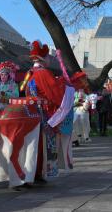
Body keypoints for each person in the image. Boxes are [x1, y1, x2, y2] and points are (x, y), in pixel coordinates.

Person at [21, 40, 75, 180]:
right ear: (42, 59)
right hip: (42, 113)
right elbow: (56, 94)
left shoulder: (30, 73)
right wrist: (67, 85)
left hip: (30, 112)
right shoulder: (43, 73)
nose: (50, 59)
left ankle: (34, 171)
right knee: (45, 143)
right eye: (48, 57)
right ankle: (43, 171)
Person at [72, 73, 92, 146]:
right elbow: (72, 100)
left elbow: (89, 98)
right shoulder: (73, 91)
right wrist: (76, 102)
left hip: (83, 109)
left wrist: (84, 103)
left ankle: (86, 136)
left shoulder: (86, 89)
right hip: (75, 109)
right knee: (75, 122)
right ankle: (77, 136)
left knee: (84, 121)